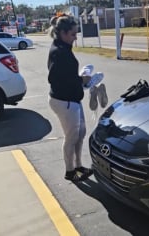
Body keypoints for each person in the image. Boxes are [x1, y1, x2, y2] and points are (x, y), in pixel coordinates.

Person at [47, 14, 93, 182]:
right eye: (73, 34)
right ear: (63, 33)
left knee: (80, 134)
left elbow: (66, 75)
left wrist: (80, 79)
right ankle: (69, 171)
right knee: (71, 137)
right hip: (64, 101)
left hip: (72, 100)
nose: (75, 38)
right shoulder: (59, 52)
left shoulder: (63, 48)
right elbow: (54, 79)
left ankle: (78, 165)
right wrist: (81, 80)